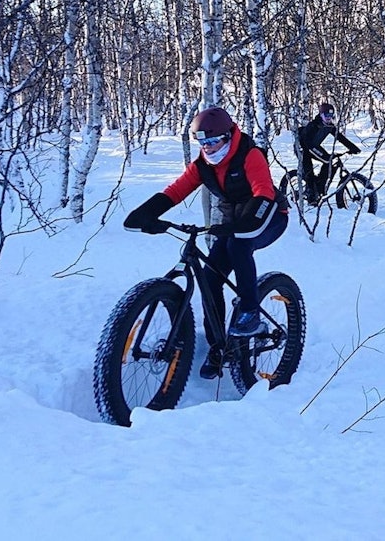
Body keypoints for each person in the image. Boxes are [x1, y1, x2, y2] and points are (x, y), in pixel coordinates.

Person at [123, 106, 288, 379]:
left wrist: (242, 226)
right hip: (232, 220)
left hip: (269, 215)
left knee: (239, 246)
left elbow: (263, 193)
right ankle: (218, 348)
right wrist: (146, 214)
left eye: (213, 142)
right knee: (211, 280)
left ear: (228, 135)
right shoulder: (203, 165)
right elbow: (175, 191)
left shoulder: (250, 154)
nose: (208, 148)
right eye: (202, 143)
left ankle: (250, 313)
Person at [297, 101, 360, 205]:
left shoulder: (329, 126)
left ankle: (320, 186)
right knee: (310, 171)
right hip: (303, 148)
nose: (329, 118)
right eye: (326, 115)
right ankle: (311, 194)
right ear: (321, 115)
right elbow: (308, 144)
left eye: (331, 115)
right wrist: (326, 157)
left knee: (330, 161)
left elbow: (339, 137)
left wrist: (353, 148)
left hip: (314, 146)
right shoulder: (314, 125)